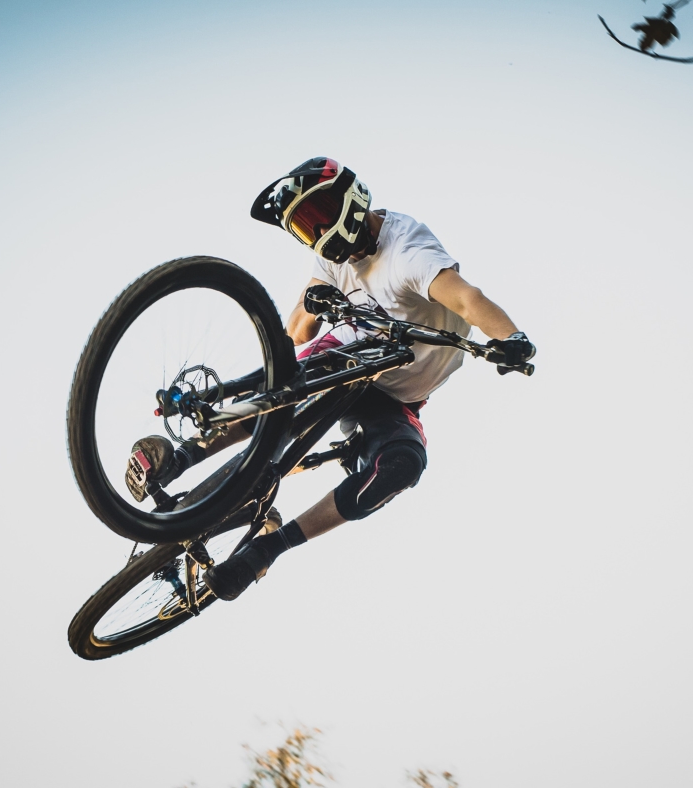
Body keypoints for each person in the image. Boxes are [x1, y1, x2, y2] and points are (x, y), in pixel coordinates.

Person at [124, 157, 535, 601]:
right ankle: (179, 458)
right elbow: (298, 332)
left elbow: (469, 300)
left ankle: (268, 547)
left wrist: (510, 338)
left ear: (350, 200)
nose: (316, 237)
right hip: (344, 357)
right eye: (303, 230)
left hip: (395, 398)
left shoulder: (407, 253)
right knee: (296, 388)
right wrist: (307, 317)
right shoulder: (329, 256)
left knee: (403, 464)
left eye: (316, 220)